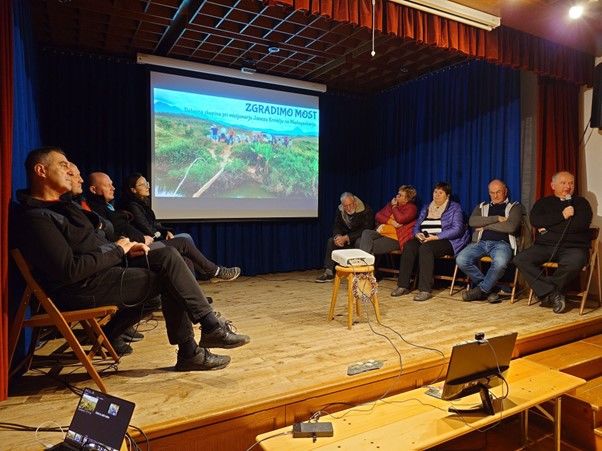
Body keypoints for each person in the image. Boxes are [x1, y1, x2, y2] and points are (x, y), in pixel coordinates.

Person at [14, 147, 250, 371]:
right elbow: (70, 270)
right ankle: (200, 340)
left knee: (171, 256)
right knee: (172, 275)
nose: (71, 172)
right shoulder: (37, 217)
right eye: (63, 165)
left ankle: (202, 336)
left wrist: (126, 249)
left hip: (104, 271)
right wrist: (118, 250)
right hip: (83, 287)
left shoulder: (62, 207)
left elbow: (93, 244)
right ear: (41, 171)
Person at [119, 172, 240, 281]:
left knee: (185, 246)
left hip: (154, 240)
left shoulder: (143, 203)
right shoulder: (132, 205)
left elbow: (154, 224)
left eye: (147, 183)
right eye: (142, 184)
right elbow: (146, 228)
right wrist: (162, 236)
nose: (147, 186)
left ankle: (203, 278)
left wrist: (167, 232)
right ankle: (214, 271)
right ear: (133, 190)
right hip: (144, 245)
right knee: (184, 241)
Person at [513, 171, 592, 314]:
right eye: (563, 183)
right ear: (553, 185)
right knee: (520, 259)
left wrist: (548, 228)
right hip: (544, 246)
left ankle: (546, 292)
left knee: (574, 263)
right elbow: (535, 221)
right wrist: (562, 215)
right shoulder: (543, 203)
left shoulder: (581, 203)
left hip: (573, 248)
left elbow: (579, 226)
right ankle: (553, 293)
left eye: (571, 183)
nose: (568, 186)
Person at [391, 182, 470, 301]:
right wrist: (417, 234)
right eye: (435, 192)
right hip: (426, 238)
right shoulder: (427, 207)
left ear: (447, 196)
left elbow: (457, 229)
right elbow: (417, 225)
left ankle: (425, 289)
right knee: (409, 246)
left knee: (426, 248)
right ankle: (403, 285)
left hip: (447, 240)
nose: (436, 195)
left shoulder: (455, 207)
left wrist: (437, 236)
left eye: (440, 193)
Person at [456, 180, 523, 303]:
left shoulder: (515, 207)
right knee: (461, 259)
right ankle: (490, 289)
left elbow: (511, 227)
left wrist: (486, 226)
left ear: (505, 191)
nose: (495, 196)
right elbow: (472, 222)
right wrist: (497, 218)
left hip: (502, 244)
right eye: (492, 193)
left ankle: (481, 290)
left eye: (498, 192)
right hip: (480, 243)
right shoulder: (482, 206)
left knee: (500, 263)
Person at [315, 192, 374, 282]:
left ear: (355, 202)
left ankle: (360, 273)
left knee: (359, 242)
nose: (348, 208)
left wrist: (347, 237)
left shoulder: (366, 210)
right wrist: (338, 236)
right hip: (345, 239)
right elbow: (337, 226)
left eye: (350, 205)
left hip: (359, 238)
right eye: (346, 206)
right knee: (331, 241)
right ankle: (329, 272)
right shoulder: (340, 210)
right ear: (342, 205)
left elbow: (366, 229)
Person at [359, 185, 418, 256]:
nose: (397, 196)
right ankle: (366, 261)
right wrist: (391, 222)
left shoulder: (412, 208)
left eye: (400, 195)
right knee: (365, 234)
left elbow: (400, 219)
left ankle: (364, 262)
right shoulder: (391, 204)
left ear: (407, 199)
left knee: (365, 245)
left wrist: (394, 207)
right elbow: (378, 215)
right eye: (398, 194)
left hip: (395, 237)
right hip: (382, 232)